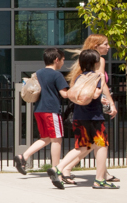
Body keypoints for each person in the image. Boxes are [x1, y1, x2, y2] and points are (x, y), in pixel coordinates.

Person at [50, 48, 118, 189]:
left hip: (79, 117)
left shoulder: (79, 77)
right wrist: (103, 99)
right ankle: (99, 180)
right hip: (94, 118)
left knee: (82, 146)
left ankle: (58, 168)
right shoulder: (97, 77)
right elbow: (95, 94)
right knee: (102, 145)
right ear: (95, 63)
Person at [15, 47, 69, 175]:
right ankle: (56, 169)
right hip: (52, 110)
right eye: (62, 60)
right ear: (56, 60)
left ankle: (23, 156)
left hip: (39, 109)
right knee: (57, 139)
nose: (63, 63)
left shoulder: (38, 73)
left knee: (46, 138)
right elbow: (65, 94)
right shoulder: (57, 75)